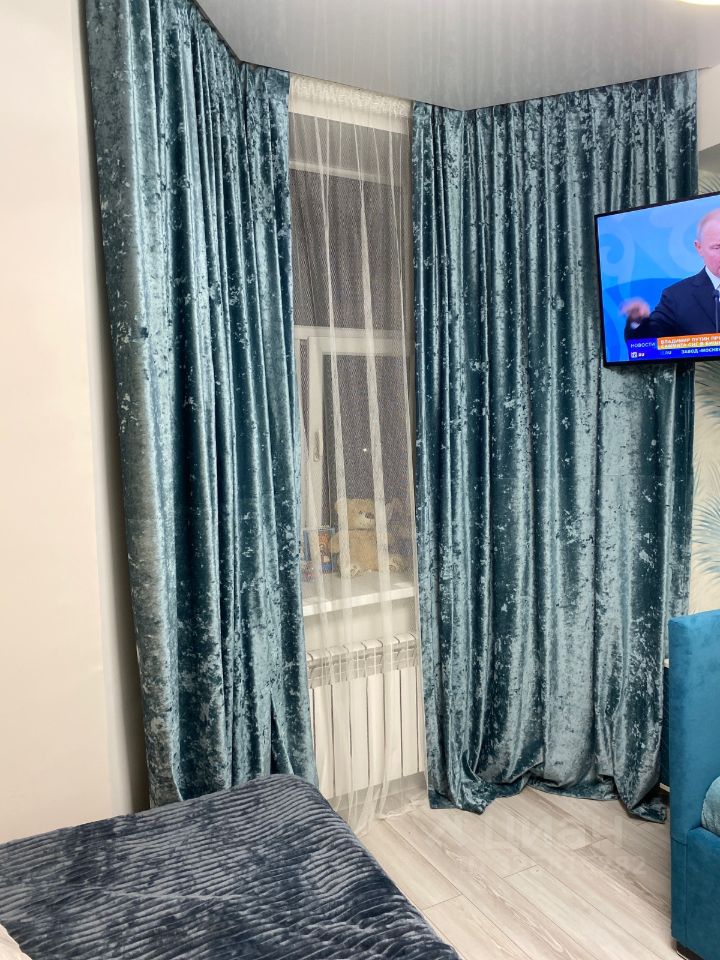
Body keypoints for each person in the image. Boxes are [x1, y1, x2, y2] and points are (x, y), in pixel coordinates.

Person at [621, 208, 720, 341]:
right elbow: (648, 341)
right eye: (717, 247)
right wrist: (637, 321)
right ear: (699, 248)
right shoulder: (677, 297)